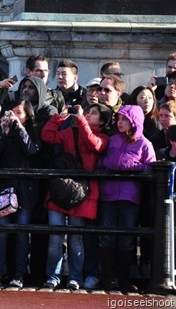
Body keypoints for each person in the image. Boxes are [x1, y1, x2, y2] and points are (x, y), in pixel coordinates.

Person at [40, 104, 111, 290]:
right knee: (55, 237)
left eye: (93, 114)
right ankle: (52, 277)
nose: (88, 115)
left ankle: (75, 277)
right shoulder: (71, 132)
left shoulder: (103, 137)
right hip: (61, 190)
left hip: (83, 194)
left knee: (75, 238)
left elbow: (93, 144)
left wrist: (80, 120)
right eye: (87, 112)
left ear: (102, 121)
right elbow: (47, 136)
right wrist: (59, 117)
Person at [98, 104, 156, 292]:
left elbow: (152, 167)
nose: (120, 122)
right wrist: (108, 163)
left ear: (134, 122)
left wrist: (133, 166)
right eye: (119, 119)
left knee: (126, 239)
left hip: (130, 198)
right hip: (109, 195)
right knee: (107, 238)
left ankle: (122, 278)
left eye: (124, 119)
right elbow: (100, 161)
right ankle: (108, 278)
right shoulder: (112, 140)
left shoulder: (144, 144)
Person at [0, 100, 40, 289]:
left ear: (27, 115)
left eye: (19, 113)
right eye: (11, 113)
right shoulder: (2, 132)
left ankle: (19, 275)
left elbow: (32, 150)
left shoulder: (31, 131)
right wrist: (3, 133)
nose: (14, 117)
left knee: (21, 233)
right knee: (1, 233)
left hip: (24, 190)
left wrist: (19, 130)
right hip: (3, 189)